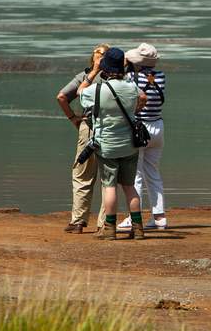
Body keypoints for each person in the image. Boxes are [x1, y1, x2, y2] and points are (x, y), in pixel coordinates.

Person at [77, 47, 147, 240]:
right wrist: (134, 110)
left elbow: (80, 92)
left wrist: (93, 72)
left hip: (106, 145)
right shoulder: (131, 87)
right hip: (130, 144)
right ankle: (138, 228)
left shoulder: (97, 89)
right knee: (129, 187)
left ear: (105, 67)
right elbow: (143, 97)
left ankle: (109, 228)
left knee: (109, 187)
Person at [56, 44, 109, 234]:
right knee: (108, 178)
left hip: (88, 128)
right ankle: (105, 223)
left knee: (82, 175)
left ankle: (78, 221)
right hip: (112, 130)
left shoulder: (83, 77)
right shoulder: (119, 78)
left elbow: (62, 97)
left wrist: (73, 119)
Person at [117, 43, 168, 232]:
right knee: (153, 173)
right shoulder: (161, 76)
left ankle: (133, 217)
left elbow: (119, 78)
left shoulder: (131, 77)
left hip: (140, 128)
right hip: (158, 127)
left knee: (135, 175)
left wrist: (125, 63)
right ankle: (160, 217)